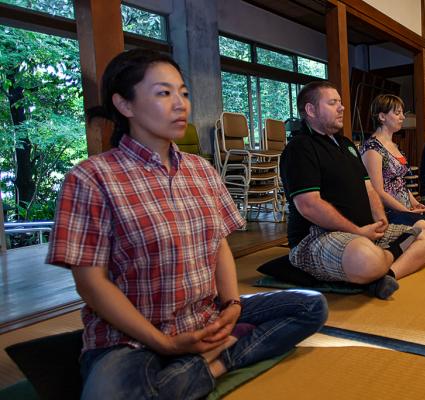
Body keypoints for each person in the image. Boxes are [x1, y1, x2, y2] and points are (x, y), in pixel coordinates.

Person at [46, 49, 327, 400]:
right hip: (131, 337)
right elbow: (91, 284)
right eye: (164, 93)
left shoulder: (200, 169)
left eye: (183, 93)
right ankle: (199, 366)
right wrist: (163, 343)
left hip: (207, 316)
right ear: (125, 105)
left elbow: (219, 244)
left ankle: (217, 362)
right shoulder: (91, 178)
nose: (180, 104)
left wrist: (231, 306)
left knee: (311, 305)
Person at [280, 81, 425, 300]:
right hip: (319, 236)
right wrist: (357, 231)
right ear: (311, 110)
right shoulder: (299, 148)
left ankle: (386, 275)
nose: (341, 108)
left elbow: (369, 187)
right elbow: (309, 205)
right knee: (367, 258)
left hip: (364, 231)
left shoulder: (346, 144)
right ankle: (378, 264)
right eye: (333, 103)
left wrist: (381, 219)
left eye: (341, 103)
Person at [361, 94, 425, 240]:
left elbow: (401, 183)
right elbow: (377, 192)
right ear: (382, 116)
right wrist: (406, 211)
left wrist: (416, 204)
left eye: (402, 113)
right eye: (397, 113)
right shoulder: (372, 149)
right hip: (390, 211)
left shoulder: (395, 146)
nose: (402, 117)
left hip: (406, 204)